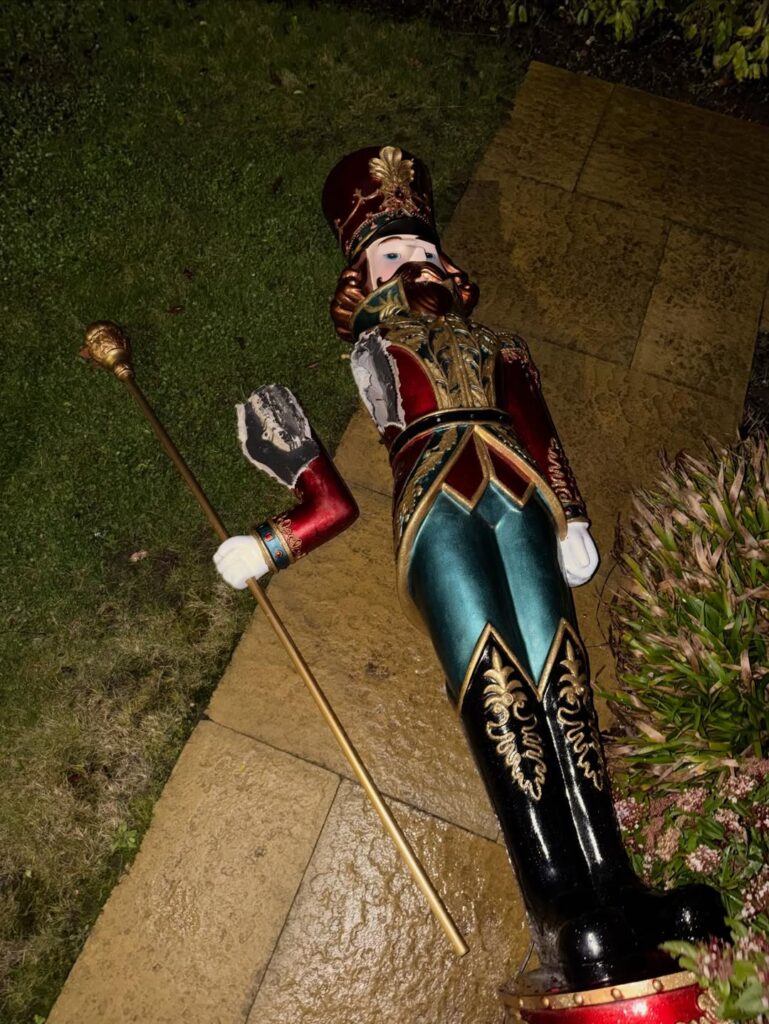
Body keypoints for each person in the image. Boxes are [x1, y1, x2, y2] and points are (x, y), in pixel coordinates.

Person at [214, 145, 727, 989]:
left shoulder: (500, 346)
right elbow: (350, 472)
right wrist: (278, 531)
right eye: (391, 252)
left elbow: (540, 428)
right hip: (435, 502)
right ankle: (557, 896)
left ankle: (616, 881)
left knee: (562, 674)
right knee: (495, 678)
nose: (414, 261)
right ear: (360, 276)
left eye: (422, 248)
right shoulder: (375, 347)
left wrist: (572, 514)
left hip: (519, 492)